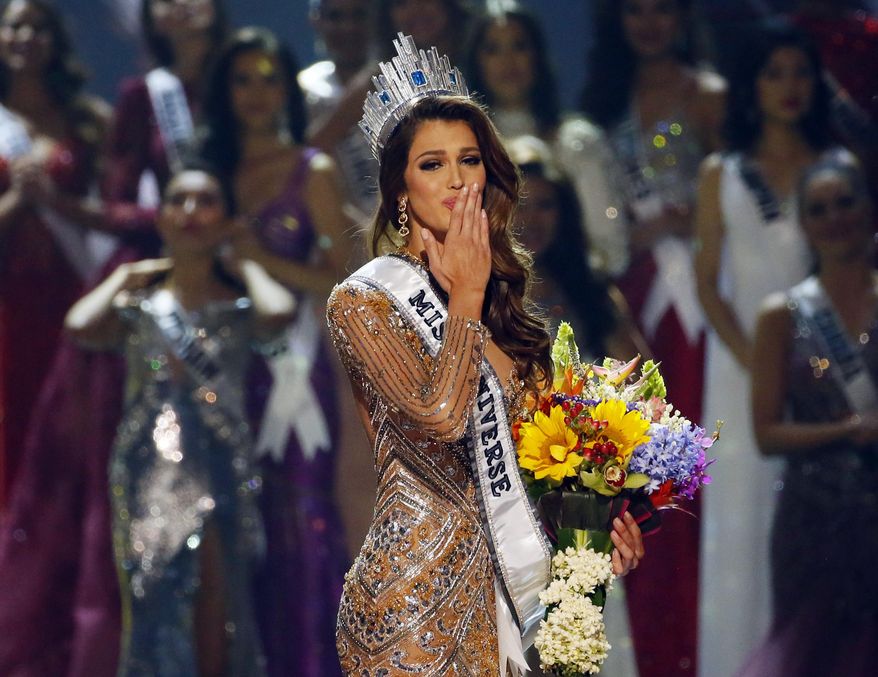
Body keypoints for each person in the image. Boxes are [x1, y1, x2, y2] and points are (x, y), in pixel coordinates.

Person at [327, 34, 645, 676]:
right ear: (399, 190)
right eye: (432, 164)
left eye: (469, 160)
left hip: (516, 596)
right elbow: (440, 420)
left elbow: (534, 467)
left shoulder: (508, 309)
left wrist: (594, 528)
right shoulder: (365, 302)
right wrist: (465, 297)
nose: (455, 180)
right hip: (415, 603)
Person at [65, 162, 295, 676]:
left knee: (222, 598)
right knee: (153, 594)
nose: (190, 212)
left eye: (206, 201)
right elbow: (78, 325)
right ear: (162, 217)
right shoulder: (141, 304)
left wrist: (246, 261)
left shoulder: (237, 305)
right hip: (148, 471)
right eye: (178, 201)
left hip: (221, 463)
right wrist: (125, 275)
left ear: (226, 219)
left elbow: (279, 312)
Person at [200, 26, 354, 677]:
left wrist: (261, 261)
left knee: (303, 508)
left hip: (294, 367)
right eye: (242, 79)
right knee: (241, 517)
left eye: (270, 78)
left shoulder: (309, 170)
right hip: (224, 366)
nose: (257, 93)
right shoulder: (211, 176)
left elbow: (348, 279)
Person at [580, 2, 726, 673]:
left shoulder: (710, 96)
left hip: (695, 303)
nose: (648, 21)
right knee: (634, 471)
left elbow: (735, 204)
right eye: (633, 9)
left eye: (661, 7)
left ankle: (701, 642)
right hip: (629, 301)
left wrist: (686, 222)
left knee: (692, 468)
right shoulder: (601, 101)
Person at [694, 21, 839, 677]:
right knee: (743, 519)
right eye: (773, 73)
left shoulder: (839, 170)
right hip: (742, 368)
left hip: (826, 370)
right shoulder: (721, 172)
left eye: (799, 73)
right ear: (752, 85)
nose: (788, 87)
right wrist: (757, 364)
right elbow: (707, 282)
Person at [740, 156, 878, 676]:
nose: (835, 217)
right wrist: (852, 429)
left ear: (869, 207)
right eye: (818, 209)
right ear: (804, 225)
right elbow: (766, 433)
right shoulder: (782, 313)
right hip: (814, 518)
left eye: (846, 202)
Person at [0, 0, 109, 507]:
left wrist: (56, 201)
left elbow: (118, 211)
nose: (26, 36)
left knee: (73, 429)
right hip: (8, 305)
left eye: (39, 27)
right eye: (15, 25)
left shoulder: (89, 121)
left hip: (75, 296)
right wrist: (19, 201)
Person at [464, 3, 629, 278]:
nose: (508, 60)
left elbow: (611, 250)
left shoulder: (576, 141)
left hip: (573, 296)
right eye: (493, 49)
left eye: (519, 46)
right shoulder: (464, 151)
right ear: (477, 62)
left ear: (537, 55)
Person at [507, 135, 647, 362]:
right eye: (520, 205)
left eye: (544, 205)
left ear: (564, 212)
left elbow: (640, 382)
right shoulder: (484, 297)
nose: (531, 220)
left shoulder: (590, 289)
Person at [298, 0, 378, 223]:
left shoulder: (401, 77)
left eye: (359, 15)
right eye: (336, 17)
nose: (348, 27)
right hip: (341, 232)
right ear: (316, 20)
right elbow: (295, 167)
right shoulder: (304, 88)